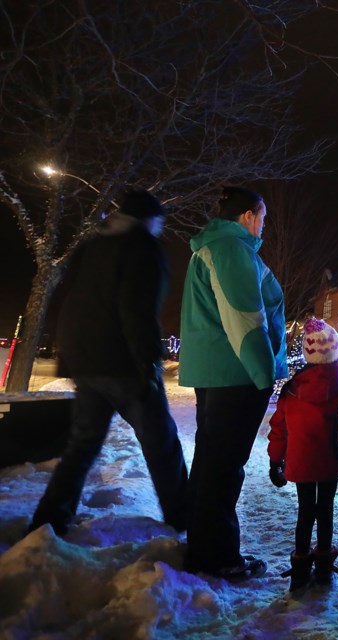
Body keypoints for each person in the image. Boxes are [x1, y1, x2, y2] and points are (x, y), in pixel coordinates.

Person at [30, 190, 188, 536]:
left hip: (87, 364)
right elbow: (138, 311)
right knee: (161, 441)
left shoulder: (91, 247)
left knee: (82, 445)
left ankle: (48, 521)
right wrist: (148, 363)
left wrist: (69, 359)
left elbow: (67, 303)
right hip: (123, 365)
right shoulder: (143, 248)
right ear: (148, 220)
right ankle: (183, 517)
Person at [178, 185, 287, 582]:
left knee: (211, 462)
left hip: (216, 373)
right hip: (235, 375)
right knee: (224, 467)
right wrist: (265, 375)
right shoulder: (232, 251)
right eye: (262, 218)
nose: (263, 228)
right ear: (247, 216)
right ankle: (220, 556)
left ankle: (204, 548)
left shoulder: (212, 249)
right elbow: (245, 318)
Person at [267, 317, 338, 592]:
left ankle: (301, 569)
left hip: (302, 462)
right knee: (325, 509)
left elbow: (279, 427)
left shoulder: (293, 388)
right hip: (331, 460)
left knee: (305, 511)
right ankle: (324, 568)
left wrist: (275, 460)